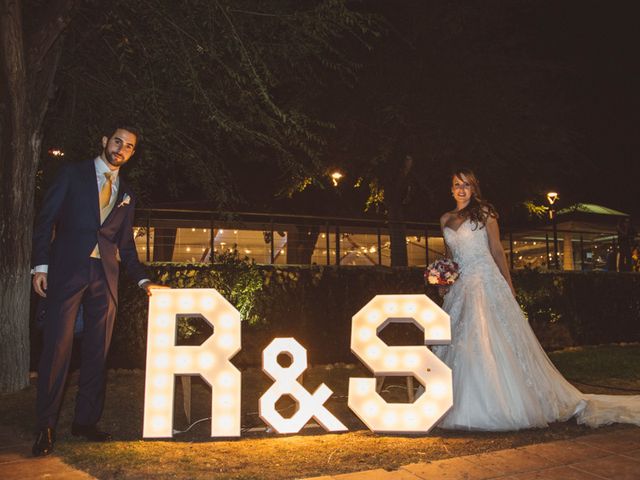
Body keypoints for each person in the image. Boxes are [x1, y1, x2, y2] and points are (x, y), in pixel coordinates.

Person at [433, 168, 640, 431]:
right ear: (450, 189)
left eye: (466, 185)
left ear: (474, 188)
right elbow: (450, 255)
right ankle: (453, 402)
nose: (461, 189)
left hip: (486, 281)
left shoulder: (485, 212)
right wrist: (444, 280)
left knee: (488, 336)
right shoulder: (445, 219)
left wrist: (508, 283)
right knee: (460, 339)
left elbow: (496, 249)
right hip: (461, 285)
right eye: (456, 184)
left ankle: (502, 403)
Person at [31, 125, 164, 456]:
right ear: (104, 141)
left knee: (97, 353)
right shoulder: (72, 174)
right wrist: (41, 266)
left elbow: (126, 245)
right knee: (57, 351)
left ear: (132, 154)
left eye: (129, 146)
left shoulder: (126, 191)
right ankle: (45, 427)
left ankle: (85, 422)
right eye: (117, 141)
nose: (121, 148)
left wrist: (143, 280)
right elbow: (45, 220)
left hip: (105, 278)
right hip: (66, 272)